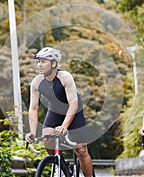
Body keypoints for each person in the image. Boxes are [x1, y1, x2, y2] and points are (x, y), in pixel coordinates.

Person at [25, 47, 94, 177]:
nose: (39, 65)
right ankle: (61, 164)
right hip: (55, 111)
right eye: (38, 61)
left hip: (74, 111)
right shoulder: (36, 82)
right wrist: (33, 132)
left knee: (81, 150)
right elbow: (34, 108)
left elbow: (73, 103)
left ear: (54, 63)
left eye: (43, 61)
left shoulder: (65, 77)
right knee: (47, 138)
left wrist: (64, 126)